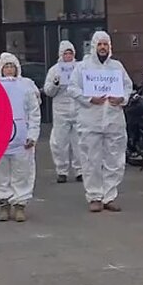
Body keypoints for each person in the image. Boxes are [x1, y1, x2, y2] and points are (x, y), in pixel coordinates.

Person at [69, 31, 131, 213]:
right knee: (91, 160)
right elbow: (72, 88)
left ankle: (109, 196)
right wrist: (89, 99)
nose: (103, 48)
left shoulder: (117, 66)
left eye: (106, 44)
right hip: (90, 121)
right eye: (100, 44)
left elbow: (128, 87)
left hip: (114, 121)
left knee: (115, 159)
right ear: (94, 46)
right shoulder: (82, 67)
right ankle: (95, 196)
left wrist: (122, 99)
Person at [0, 52, 42, 222]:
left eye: (12, 66)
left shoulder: (25, 87)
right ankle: (3, 205)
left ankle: (20, 205)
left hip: (21, 140)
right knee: (0, 174)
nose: (9, 69)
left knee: (22, 173)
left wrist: (32, 135)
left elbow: (34, 113)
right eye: (6, 66)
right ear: (0, 69)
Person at [43, 40, 83, 184]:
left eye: (70, 53)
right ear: (61, 54)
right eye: (65, 53)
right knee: (60, 143)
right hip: (61, 111)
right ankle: (62, 171)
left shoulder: (80, 68)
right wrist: (55, 84)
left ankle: (80, 171)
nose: (68, 56)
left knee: (79, 142)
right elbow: (48, 91)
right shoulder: (55, 70)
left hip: (78, 109)